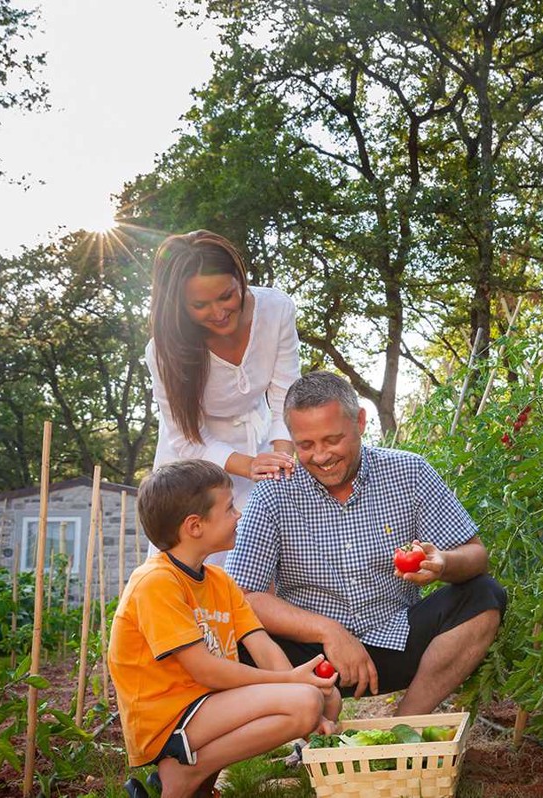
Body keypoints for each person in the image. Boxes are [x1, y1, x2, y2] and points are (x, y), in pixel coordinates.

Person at [225, 371, 507, 716]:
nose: (321, 456)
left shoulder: (409, 472)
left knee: (484, 594)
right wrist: (328, 631)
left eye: (332, 440)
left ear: (359, 421)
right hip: (313, 661)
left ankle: (406, 726)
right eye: (306, 445)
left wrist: (444, 563)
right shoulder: (274, 492)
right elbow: (243, 596)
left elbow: (477, 555)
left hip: (398, 640)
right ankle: (309, 727)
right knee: (227, 640)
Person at [109, 459, 341, 798]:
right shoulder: (156, 582)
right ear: (195, 526)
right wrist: (291, 683)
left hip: (205, 706)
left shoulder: (218, 580)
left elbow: (260, 644)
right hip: (167, 718)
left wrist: (306, 690)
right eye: (229, 507)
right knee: (304, 700)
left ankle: (196, 782)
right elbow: (207, 670)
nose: (239, 515)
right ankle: (183, 775)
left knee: (324, 696)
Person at [145, 230, 301, 567]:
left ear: (240, 279)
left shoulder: (276, 309)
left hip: (258, 441)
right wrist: (246, 465)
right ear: (181, 306)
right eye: (200, 305)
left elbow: (285, 395)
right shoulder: (163, 351)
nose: (218, 312)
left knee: (254, 559)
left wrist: (279, 461)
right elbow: (187, 437)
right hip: (193, 458)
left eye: (227, 296)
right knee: (192, 559)